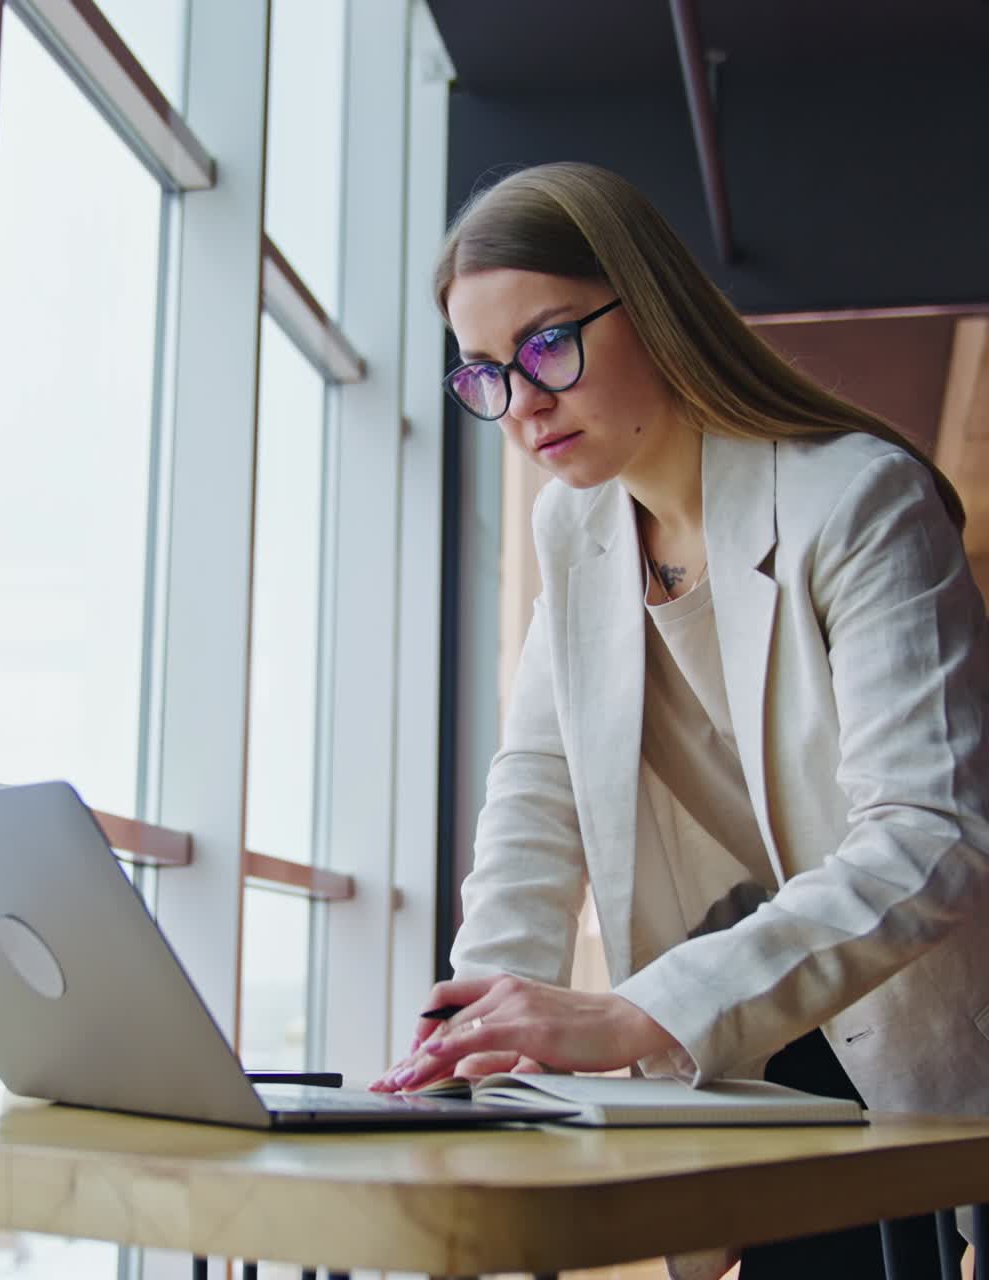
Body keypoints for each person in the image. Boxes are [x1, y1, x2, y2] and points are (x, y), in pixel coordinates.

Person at [369, 162, 989, 1280]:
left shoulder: (857, 502)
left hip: (903, 1023)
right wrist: (470, 1050)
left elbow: (928, 835)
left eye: (547, 345)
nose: (521, 404)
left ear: (648, 306)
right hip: (760, 1048)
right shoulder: (577, 532)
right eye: (484, 375)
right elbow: (533, 794)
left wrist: (636, 1011)